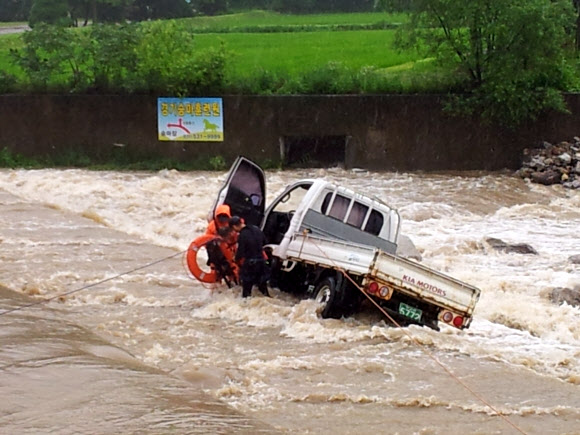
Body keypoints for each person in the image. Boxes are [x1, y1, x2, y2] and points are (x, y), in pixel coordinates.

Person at [230, 216, 271, 298]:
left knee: (246, 293)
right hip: (262, 264)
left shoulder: (242, 235)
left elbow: (240, 252)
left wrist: (235, 259)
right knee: (263, 290)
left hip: (250, 266)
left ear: (234, 226)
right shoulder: (257, 229)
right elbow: (265, 242)